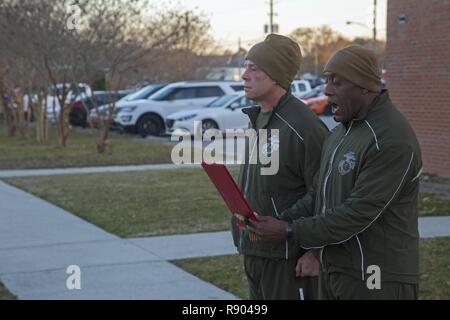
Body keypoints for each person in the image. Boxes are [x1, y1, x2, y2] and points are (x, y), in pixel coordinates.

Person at [248, 45, 423, 300]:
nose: (327, 90)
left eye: (337, 82)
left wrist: (290, 230)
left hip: (376, 276)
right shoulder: (341, 131)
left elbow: (358, 213)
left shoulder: (391, 139)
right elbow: (319, 193)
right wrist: (280, 221)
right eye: (327, 80)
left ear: (364, 85)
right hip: (336, 271)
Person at [232, 34, 329, 300]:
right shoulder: (258, 119)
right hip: (256, 250)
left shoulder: (305, 126)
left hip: (290, 257)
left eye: (254, 68)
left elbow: (326, 193)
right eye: (245, 66)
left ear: (275, 75)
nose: (244, 75)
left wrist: (315, 251)